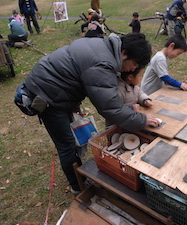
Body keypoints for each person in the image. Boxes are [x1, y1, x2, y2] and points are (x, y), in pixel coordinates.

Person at [15, 33, 160, 194]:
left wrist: (74, 103)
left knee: (68, 140)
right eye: (134, 64)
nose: (132, 69)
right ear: (124, 53)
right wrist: (142, 120)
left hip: (51, 87)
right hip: (47, 97)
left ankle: (77, 172)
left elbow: (75, 72)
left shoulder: (101, 45)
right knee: (66, 145)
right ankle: (78, 186)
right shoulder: (103, 64)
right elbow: (111, 109)